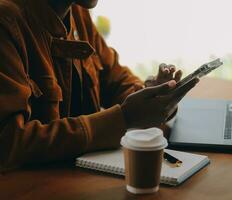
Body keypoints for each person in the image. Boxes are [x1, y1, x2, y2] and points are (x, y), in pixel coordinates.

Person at [0, 0, 199, 171]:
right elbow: (9, 143)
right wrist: (124, 118)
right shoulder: (6, 21)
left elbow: (114, 78)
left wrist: (153, 96)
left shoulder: (77, 12)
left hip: (79, 178)